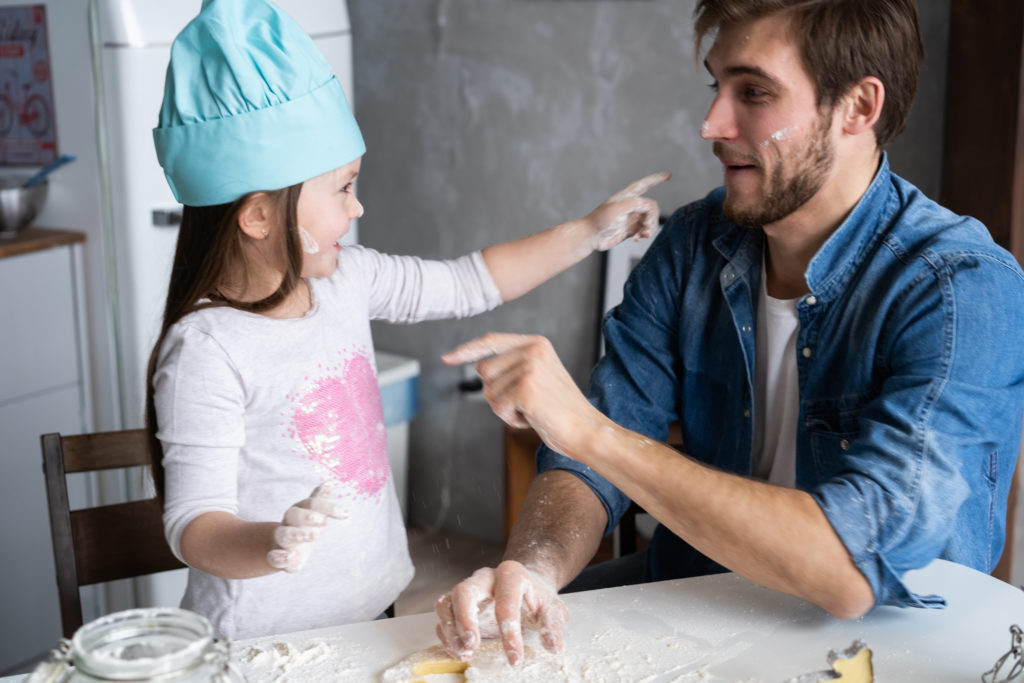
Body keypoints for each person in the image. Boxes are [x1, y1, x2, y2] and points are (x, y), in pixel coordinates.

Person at [435, 0, 1024, 667]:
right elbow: (587, 464)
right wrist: (533, 569)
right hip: (697, 603)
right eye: (716, 86)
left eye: (754, 92)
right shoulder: (691, 244)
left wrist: (590, 431)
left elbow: (848, 567)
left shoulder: (961, 287)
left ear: (859, 107)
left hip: (892, 649)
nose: (712, 124)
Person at [145, 0, 668, 641]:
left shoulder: (346, 279)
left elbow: (470, 280)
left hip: (371, 616)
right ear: (257, 217)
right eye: (342, 188)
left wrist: (589, 232)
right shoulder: (206, 348)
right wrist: (269, 542)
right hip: (261, 643)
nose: (358, 204)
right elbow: (195, 526)